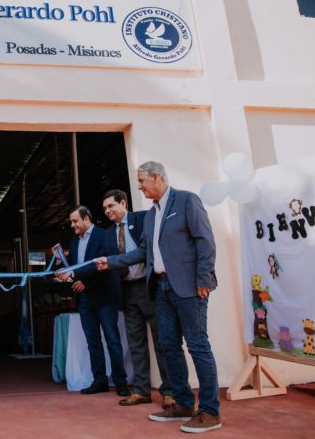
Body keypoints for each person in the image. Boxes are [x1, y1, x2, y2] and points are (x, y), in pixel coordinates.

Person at [96, 161, 221, 433]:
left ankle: (210, 411)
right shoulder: (151, 215)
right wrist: (112, 261)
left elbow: (205, 241)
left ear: (156, 177)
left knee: (198, 346)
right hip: (161, 289)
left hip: (189, 287)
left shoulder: (187, 200)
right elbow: (142, 253)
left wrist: (204, 278)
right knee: (168, 346)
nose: (139, 187)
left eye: (141, 181)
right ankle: (183, 403)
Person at [101, 189, 173, 408]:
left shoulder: (143, 218)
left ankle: (170, 391)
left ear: (123, 203)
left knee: (162, 342)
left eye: (111, 206)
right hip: (126, 291)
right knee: (136, 344)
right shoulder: (107, 234)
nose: (107, 211)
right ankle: (141, 391)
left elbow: (148, 250)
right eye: (104, 209)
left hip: (149, 288)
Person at [55, 205, 128, 396]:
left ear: (87, 218)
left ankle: (121, 382)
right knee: (92, 342)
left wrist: (84, 282)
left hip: (104, 296)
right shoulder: (73, 242)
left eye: (75, 221)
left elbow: (104, 265)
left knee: (112, 340)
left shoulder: (104, 235)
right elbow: (74, 269)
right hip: (84, 300)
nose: (72, 225)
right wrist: (60, 263)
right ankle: (100, 381)